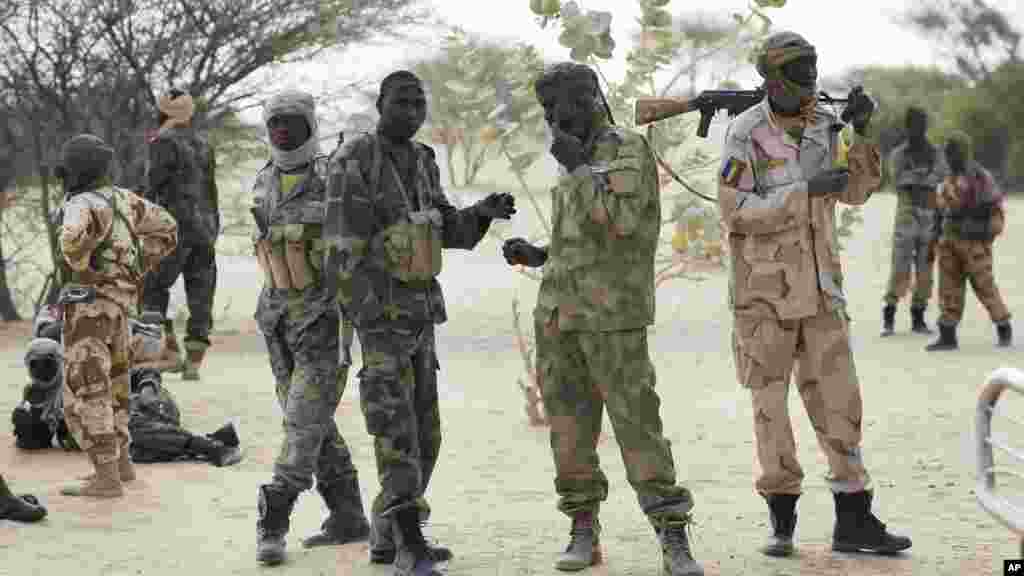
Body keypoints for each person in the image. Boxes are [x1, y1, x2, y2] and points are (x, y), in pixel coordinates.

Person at [501, 62, 702, 576]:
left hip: (612, 318)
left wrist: (576, 170)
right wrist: (539, 253)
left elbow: (622, 222)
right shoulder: (578, 156)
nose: (552, 116)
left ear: (590, 97)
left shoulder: (625, 148)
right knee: (568, 428)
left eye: (560, 104)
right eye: (545, 108)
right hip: (560, 316)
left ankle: (672, 534)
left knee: (638, 425)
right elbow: (583, 235)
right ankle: (582, 529)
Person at [716, 31, 912, 558]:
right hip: (764, 299)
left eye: (813, 70)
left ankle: (854, 518)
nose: (809, 82)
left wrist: (864, 133)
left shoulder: (829, 126)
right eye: (799, 73)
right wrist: (805, 190)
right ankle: (782, 522)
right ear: (772, 78)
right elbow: (734, 211)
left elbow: (856, 192)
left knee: (840, 404)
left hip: (823, 292)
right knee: (770, 411)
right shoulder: (745, 133)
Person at [327, 70, 515, 576]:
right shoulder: (355, 160)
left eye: (418, 103)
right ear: (380, 104)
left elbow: (445, 225)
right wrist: (367, 319)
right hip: (379, 319)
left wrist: (482, 213)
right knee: (395, 432)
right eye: (401, 102)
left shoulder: (424, 161)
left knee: (427, 434)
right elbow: (342, 246)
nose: (411, 112)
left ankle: (388, 535)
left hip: (420, 315)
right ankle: (408, 542)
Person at [250, 90, 371, 566]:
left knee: (302, 422)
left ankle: (274, 514)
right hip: (278, 320)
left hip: (324, 320)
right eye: (274, 121)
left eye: (291, 121)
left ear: (310, 125)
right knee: (310, 421)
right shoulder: (263, 180)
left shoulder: (333, 176)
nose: (281, 129)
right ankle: (347, 515)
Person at [55, 133, 178, 498]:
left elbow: (72, 239)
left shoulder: (80, 204)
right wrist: (138, 266)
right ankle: (122, 464)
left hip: (88, 308)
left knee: (86, 390)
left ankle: (105, 476)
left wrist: (82, 264)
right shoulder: (125, 199)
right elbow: (168, 228)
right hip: (121, 309)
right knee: (118, 388)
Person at [14, 306, 242, 467]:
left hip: (152, 403)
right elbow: (34, 441)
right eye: (36, 366)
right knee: (136, 452)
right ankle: (216, 439)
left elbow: (145, 372)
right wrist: (30, 420)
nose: (42, 370)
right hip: (136, 429)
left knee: (120, 421)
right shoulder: (35, 399)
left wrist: (148, 391)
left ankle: (208, 447)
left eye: (48, 363)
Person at [140, 88, 220, 380]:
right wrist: (214, 226)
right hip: (205, 228)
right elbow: (211, 189)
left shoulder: (161, 142)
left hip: (172, 228)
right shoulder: (203, 144)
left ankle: (168, 351)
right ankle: (194, 363)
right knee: (201, 294)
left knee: (151, 286)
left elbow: (152, 186)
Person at [926, 131, 1012, 350]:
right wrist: (933, 241)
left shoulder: (980, 177)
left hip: (974, 242)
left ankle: (1003, 327)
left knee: (985, 286)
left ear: (963, 152)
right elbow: (938, 213)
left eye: (952, 152)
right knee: (948, 289)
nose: (949, 157)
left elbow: (995, 210)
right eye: (947, 152)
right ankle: (948, 335)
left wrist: (986, 235)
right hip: (949, 241)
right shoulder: (947, 179)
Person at [881, 107, 948, 336]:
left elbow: (939, 175)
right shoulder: (899, 153)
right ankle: (889, 315)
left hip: (930, 214)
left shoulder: (935, 152)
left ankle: (918, 317)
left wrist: (917, 177)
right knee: (900, 265)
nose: (917, 129)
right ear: (907, 126)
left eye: (921, 124)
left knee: (925, 268)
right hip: (906, 215)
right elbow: (898, 180)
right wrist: (923, 178)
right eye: (913, 125)